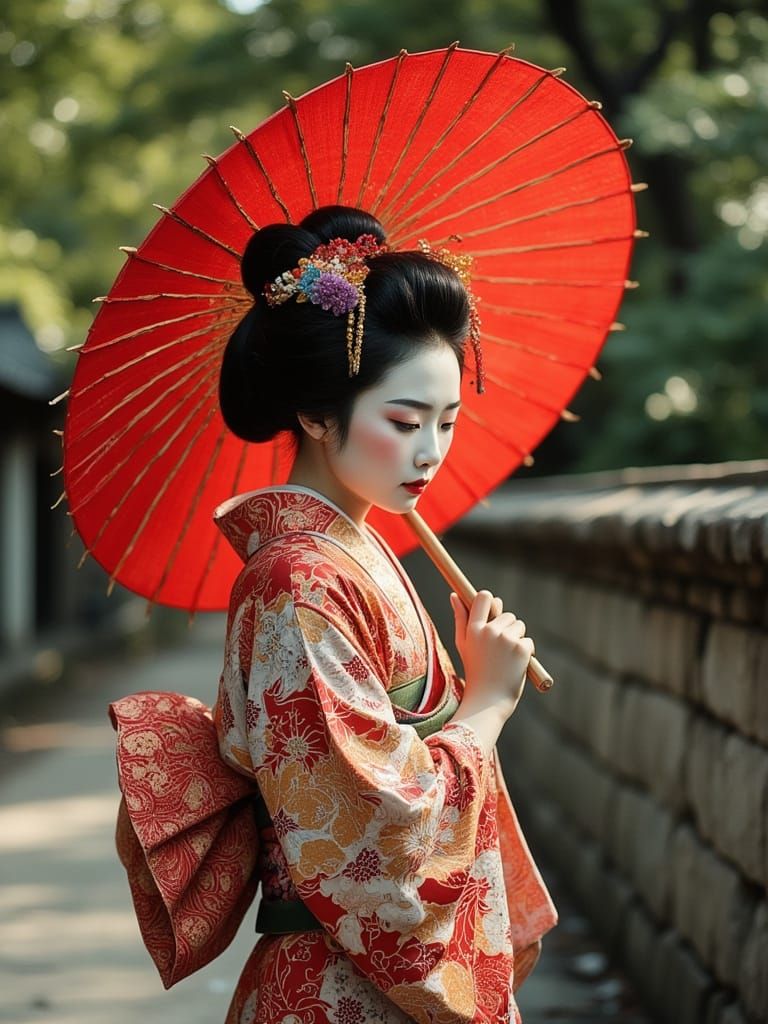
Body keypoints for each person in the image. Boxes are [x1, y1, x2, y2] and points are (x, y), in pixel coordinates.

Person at [110, 203, 557, 1024]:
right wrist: (487, 703)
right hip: (338, 981)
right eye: (403, 420)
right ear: (317, 416)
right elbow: (372, 828)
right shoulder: (297, 581)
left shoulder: (353, 556)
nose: (429, 451)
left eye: (448, 422)